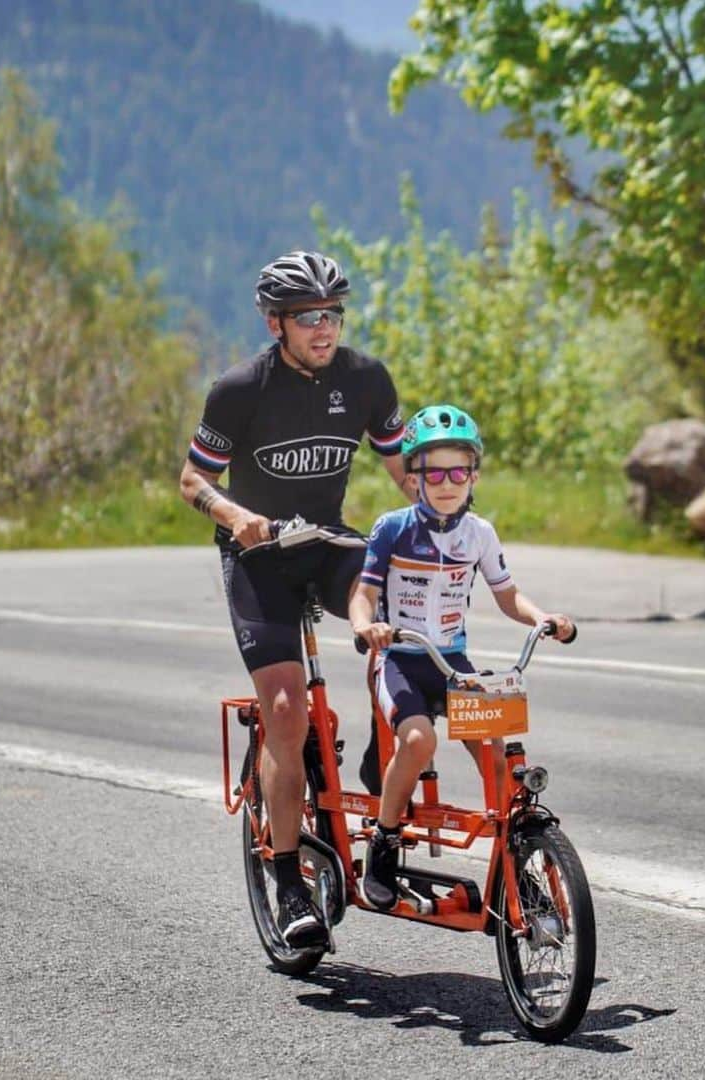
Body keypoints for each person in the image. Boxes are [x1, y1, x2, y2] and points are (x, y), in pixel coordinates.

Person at [179, 250, 407, 947]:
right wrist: (234, 515)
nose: (324, 327)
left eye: (333, 314)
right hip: (260, 558)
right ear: (275, 323)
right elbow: (193, 480)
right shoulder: (240, 389)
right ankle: (284, 876)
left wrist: (449, 522)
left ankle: (381, 754)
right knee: (286, 711)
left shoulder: (366, 378)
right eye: (309, 316)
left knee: (399, 614)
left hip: (328, 542)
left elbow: (403, 469)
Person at [348, 403, 576, 911]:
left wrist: (544, 617)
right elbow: (361, 595)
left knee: (496, 753)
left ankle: (517, 864)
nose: (447, 483)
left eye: (458, 471)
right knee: (418, 739)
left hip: (452, 663)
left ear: (473, 476)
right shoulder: (391, 529)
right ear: (415, 478)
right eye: (434, 472)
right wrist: (367, 626)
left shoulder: (480, 534)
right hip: (402, 660)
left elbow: (507, 594)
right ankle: (383, 844)